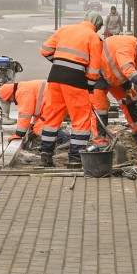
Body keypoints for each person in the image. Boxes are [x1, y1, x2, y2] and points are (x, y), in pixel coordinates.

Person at [37, 9, 105, 168]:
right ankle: (75, 159)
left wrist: (60, 63)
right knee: (81, 120)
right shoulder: (93, 37)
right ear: (97, 25)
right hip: (76, 80)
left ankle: (45, 156)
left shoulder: (64, 29)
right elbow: (95, 67)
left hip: (55, 77)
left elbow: (45, 50)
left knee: (52, 117)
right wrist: (90, 85)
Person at [92, 32, 137, 126]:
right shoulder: (125, 49)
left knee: (129, 101)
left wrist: (127, 86)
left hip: (113, 78)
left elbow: (125, 69)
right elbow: (127, 68)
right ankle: (100, 135)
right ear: (136, 49)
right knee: (100, 108)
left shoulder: (133, 47)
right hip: (99, 75)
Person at [0, 78, 47, 145]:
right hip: (52, 102)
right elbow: (38, 111)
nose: (12, 102)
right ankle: (60, 140)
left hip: (53, 103)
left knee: (40, 128)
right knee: (39, 127)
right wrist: (33, 126)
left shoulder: (22, 92)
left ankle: (61, 139)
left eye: (9, 100)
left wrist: (19, 134)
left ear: (10, 95)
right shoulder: (23, 87)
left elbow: (25, 114)